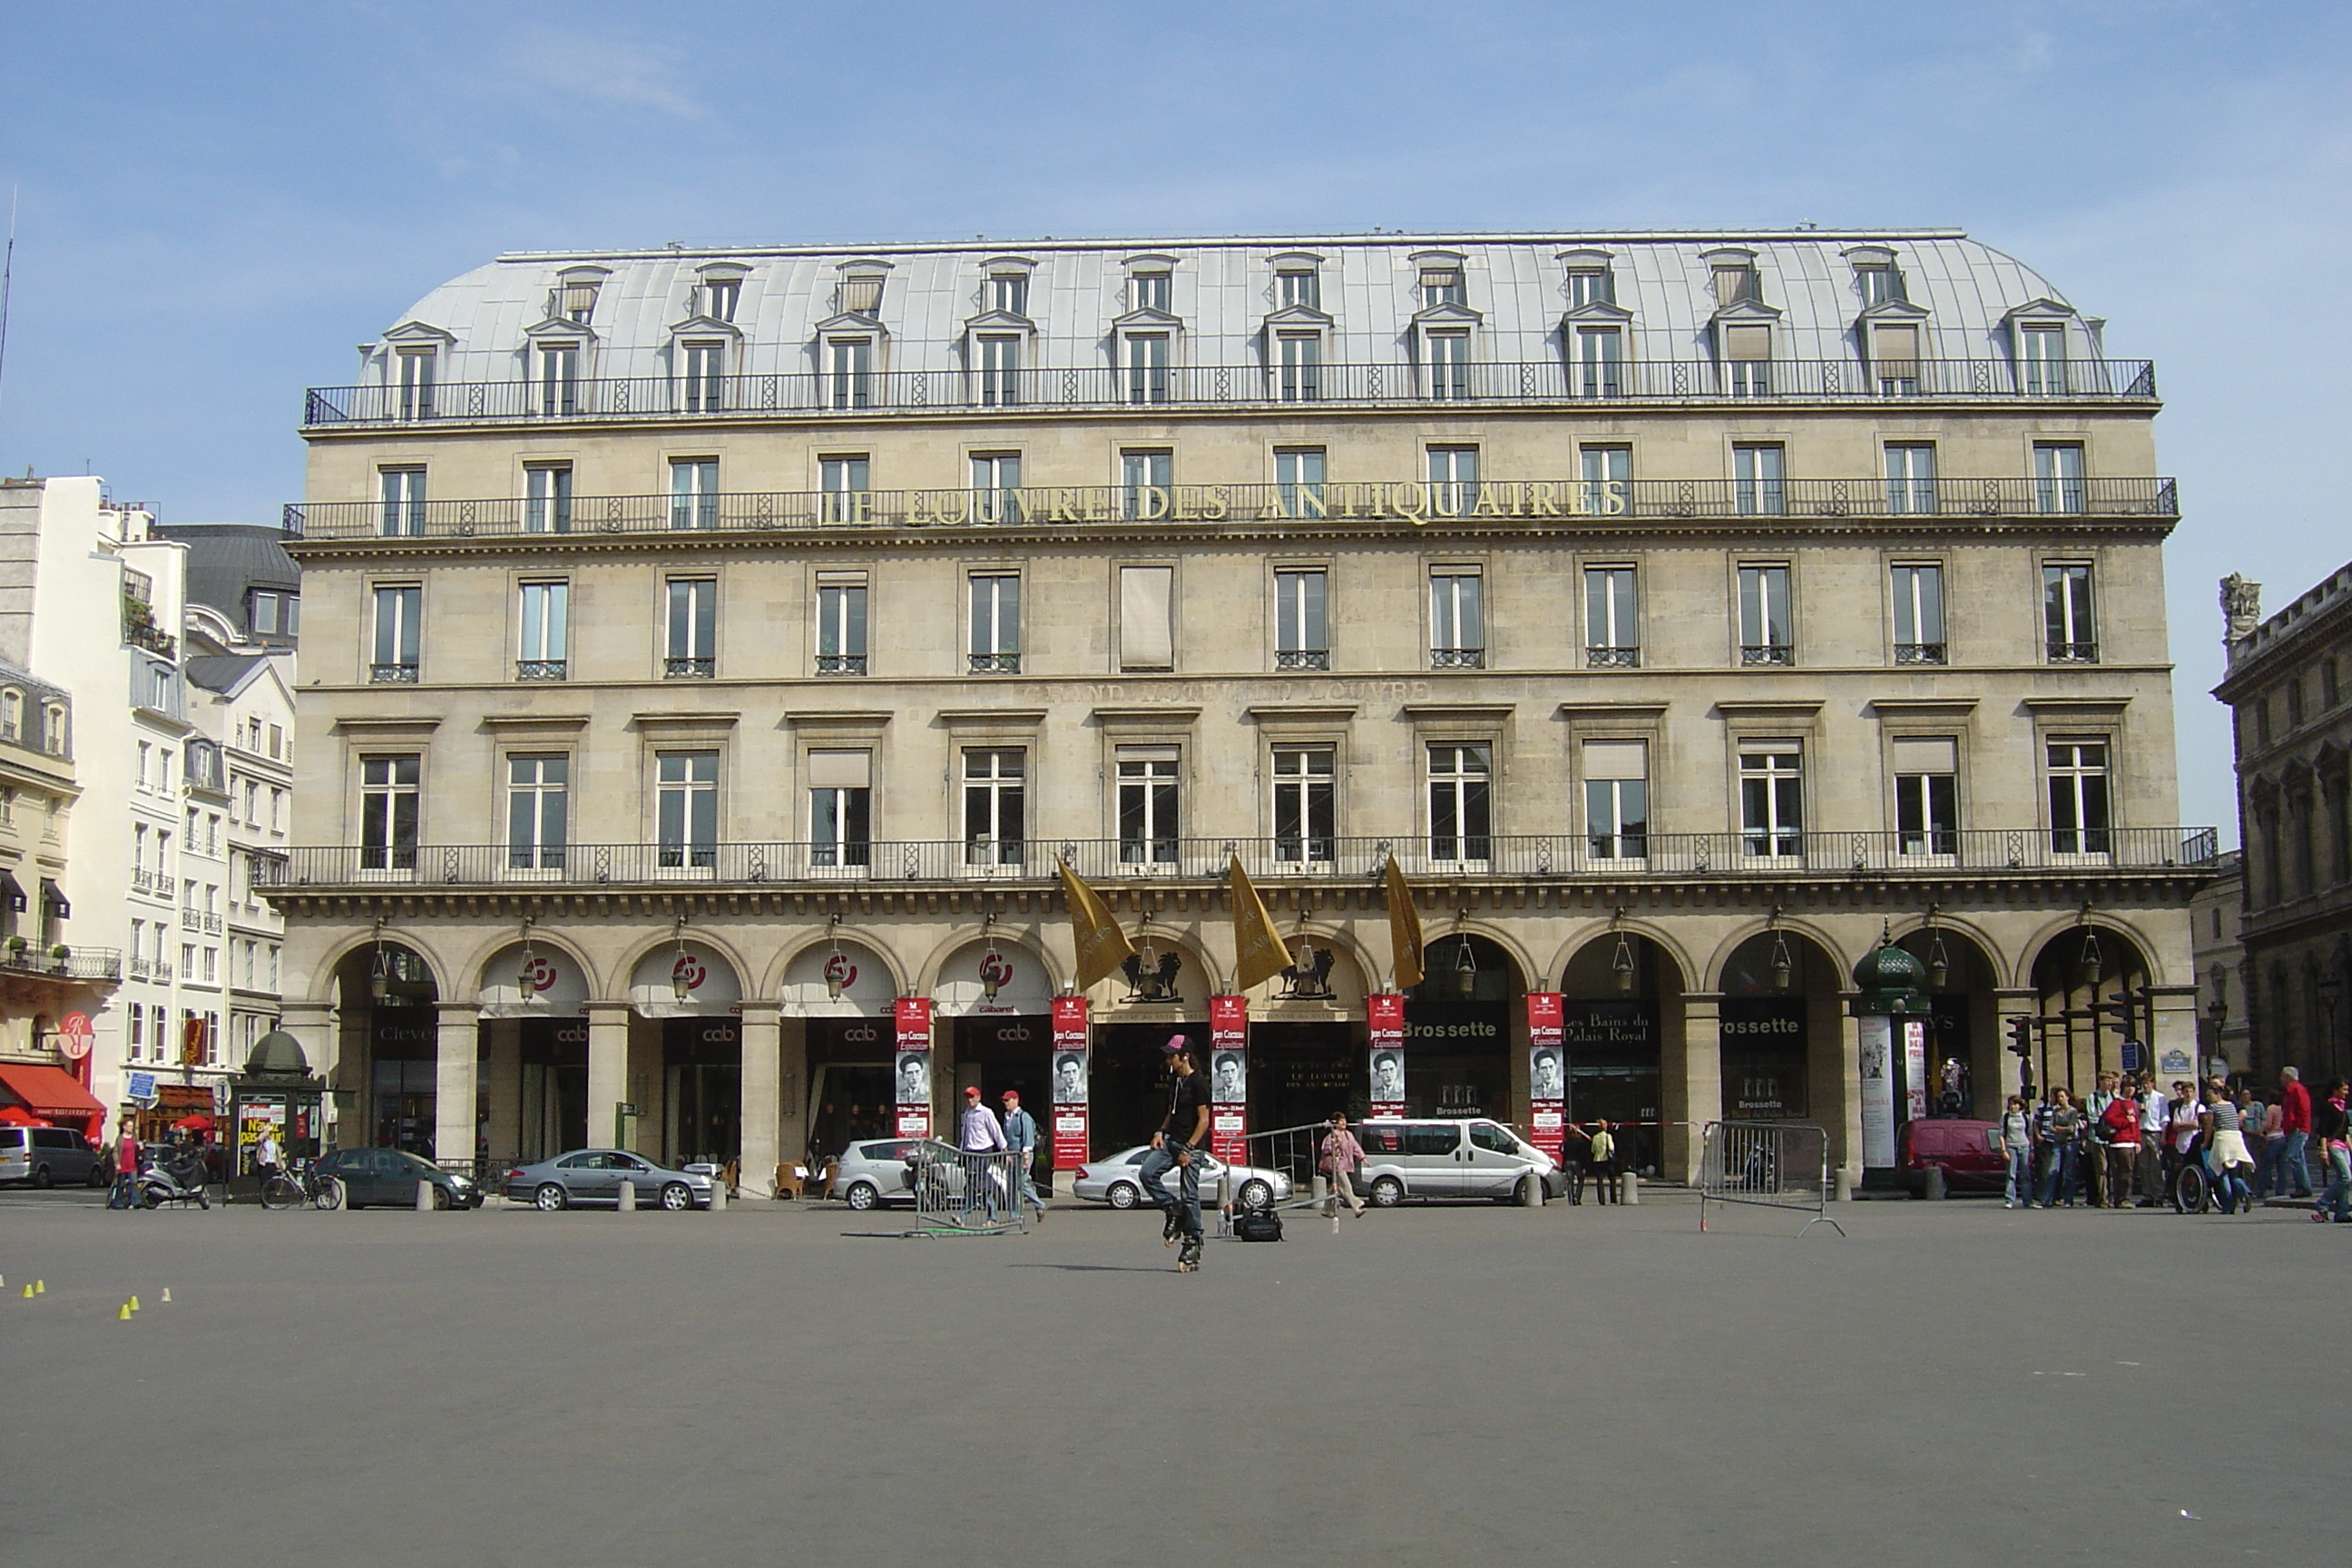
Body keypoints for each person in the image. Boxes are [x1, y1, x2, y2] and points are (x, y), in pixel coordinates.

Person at [1138, 1036, 1210, 1266]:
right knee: (1147, 1173)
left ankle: (1193, 1241)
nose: (1168, 1059)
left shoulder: (1198, 1083)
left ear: (1185, 1056)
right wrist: (1160, 1131)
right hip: (1171, 1142)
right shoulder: (1174, 1081)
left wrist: (1189, 1148)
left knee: (1190, 1195)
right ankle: (1172, 1209)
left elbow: (1204, 1120)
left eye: (1172, 1055)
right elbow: (1172, 1111)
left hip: (1191, 1147)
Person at [2201, 1083, 2256, 1214]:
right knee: (2234, 1172)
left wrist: (2205, 1142)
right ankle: (2245, 1190)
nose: (2208, 1098)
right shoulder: (2231, 1105)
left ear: (2218, 1094)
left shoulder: (2213, 1107)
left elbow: (2209, 1128)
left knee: (2222, 1173)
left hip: (2223, 1138)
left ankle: (2228, 1205)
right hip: (2236, 1138)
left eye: (2210, 1095)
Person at [955, 1084, 1005, 1220]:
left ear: (978, 1097)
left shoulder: (986, 1112)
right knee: (974, 1184)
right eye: (967, 1098)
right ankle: (989, 1215)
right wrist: (961, 1151)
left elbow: (996, 1130)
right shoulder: (967, 1113)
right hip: (970, 1152)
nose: (969, 1100)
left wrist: (1003, 1148)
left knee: (977, 1182)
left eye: (972, 1097)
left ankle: (965, 1213)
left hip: (983, 1151)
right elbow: (965, 1134)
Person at [999, 1088, 1046, 1225]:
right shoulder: (1007, 1117)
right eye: (1004, 1101)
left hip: (1022, 1155)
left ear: (1016, 1100)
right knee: (1012, 1186)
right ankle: (1014, 1215)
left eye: (1008, 1100)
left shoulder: (1024, 1117)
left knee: (1021, 1182)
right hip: (1011, 1155)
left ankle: (1039, 1205)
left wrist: (1026, 1157)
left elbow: (1028, 1138)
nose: (1005, 1103)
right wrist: (1006, 1153)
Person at [2033, 1089, 2084, 1208]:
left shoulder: (2072, 1111)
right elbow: (2050, 1126)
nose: (2060, 1099)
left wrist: (2059, 1129)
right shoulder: (2055, 1111)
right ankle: (2045, 1200)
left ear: (2067, 1097)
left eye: (2062, 1096)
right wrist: (2058, 1129)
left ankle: (2068, 1199)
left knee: (2069, 1172)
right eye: (2058, 1097)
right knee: (2052, 1171)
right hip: (2057, 1143)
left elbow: (2071, 1128)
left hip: (2070, 1142)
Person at [2094, 1080, 2140, 1209]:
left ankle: (2124, 1198)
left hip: (2130, 1142)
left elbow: (2135, 1124)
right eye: (2128, 1087)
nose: (2130, 1089)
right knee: (2122, 1173)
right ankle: (2121, 1199)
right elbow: (2109, 1118)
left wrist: (2137, 1141)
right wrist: (2125, 1121)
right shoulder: (2117, 1103)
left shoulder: (2132, 1103)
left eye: (2133, 1087)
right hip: (2120, 1143)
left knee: (2128, 1173)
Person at [2310, 1078, 2350, 1223]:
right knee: (2346, 1177)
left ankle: (2342, 1212)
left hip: (2344, 1147)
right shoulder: (2327, 1107)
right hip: (2333, 1146)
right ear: (2336, 1090)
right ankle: (2323, 1203)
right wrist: (2323, 1150)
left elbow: (2346, 1133)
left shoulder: (2343, 1107)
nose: (2347, 1092)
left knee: (2344, 1180)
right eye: (2344, 1089)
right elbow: (2323, 1131)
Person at [2275, 1066, 2315, 1200]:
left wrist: (2297, 1125)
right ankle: (2304, 1186)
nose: (2280, 1079)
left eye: (2283, 1076)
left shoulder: (2297, 1090)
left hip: (2298, 1128)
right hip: (2293, 1128)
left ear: (2289, 1077)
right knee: (2298, 1156)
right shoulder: (2290, 1092)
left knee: (2294, 1156)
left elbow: (2303, 1110)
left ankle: (2303, 1186)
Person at [2084, 1071, 2122, 1208]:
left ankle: (2115, 1196)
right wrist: (2107, 1118)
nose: (2109, 1084)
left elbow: (2119, 1115)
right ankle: (2103, 1197)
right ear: (2100, 1082)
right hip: (2098, 1137)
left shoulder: (2115, 1097)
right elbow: (2092, 1117)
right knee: (2102, 1169)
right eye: (2106, 1081)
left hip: (2113, 1137)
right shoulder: (2093, 1098)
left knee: (2115, 1168)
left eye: (2111, 1081)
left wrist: (2106, 1117)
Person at [1318, 1113, 1367, 1219]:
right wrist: (1336, 1144)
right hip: (1337, 1165)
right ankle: (1356, 1207)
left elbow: (1355, 1147)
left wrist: (1363, 1158)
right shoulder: (1333, 1134)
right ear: (1336, 1123)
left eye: (1344, 1120)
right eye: (1341, 1121)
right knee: (1346, 1186)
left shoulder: (1349, 1134)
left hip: (1346, 1164)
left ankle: (1327, 1209)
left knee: (1336, 1188)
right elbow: (1325, 1149)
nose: (1344, 1123)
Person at [2133, 1073, 2168, 1206]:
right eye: (2144, 1084)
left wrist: (2163, 1135)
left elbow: (2164, 1118)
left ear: (2152, 1084)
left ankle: (2159, 1194)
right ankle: (2147, 1194)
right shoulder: (2138, 1098)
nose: (2146, 1086)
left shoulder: (2160, 1098)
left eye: (2148, 1083)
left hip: (2155, 1132)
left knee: (2156, 1165)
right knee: (2143, 1166)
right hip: (2142, 1132)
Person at [2000, 1094, 2034, 1209]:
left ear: (2020, 1106)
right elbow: (2001, 1135)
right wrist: (2004, 1150)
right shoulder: (2005, 1117)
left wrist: (2031, 1149)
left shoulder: (2025, 1117)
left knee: (2025, 1175)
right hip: (2011, 1146)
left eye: (2015, 1104)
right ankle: (2009, 1199)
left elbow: (2029, 1134)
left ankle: (2027, 1201)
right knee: (2011, 1174)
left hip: (2024, 1146)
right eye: (2010, 1104)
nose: (2012, 1107)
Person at [108, 1118, 142, 1210]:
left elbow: (137, 1149)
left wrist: (140, 1147)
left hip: (132, 1165)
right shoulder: (120, 1139)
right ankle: (117, 1202)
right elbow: (115, 1151)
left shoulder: (134, 1137)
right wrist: (117, 1163)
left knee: (133, 1183)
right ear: (124, 1127)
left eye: (132, 1126)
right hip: (122, 1165)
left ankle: (136, 1202)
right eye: (129, 1126)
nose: (131, 1128)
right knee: (120, 1184)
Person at [1585, 1120, 1618, 1205]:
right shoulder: (1608, 1136)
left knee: (1599, 1181)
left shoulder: (1595, 1137)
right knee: (1612, 1179)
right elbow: (1611, 1148)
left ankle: (1601, 1200)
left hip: (1597, 1160)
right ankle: (1613, 1198)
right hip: (1606, 1160)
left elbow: (1593, 1150)